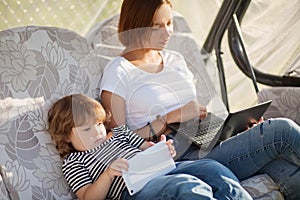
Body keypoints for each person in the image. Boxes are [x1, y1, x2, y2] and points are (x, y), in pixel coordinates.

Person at [99, 0, 300, 199]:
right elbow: (116, 139)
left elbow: (195, 114)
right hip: (172, 152)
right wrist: (169, 117)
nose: (167, 32)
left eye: (169, 23)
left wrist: (235, 130)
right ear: (136, 24)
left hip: (206, 135)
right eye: (157, 26)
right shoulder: (118, 72)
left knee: (284, 166)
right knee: (281, 130)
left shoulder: (175, 60)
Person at [47, 94, 252, 200]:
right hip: (134, 191)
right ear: (65, 137)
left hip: (162, 170)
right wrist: (108, 175)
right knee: (184, 185)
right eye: (86, 130)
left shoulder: (119, 133)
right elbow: (88, 198)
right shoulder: (74, 161)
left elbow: (148, 147)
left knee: (212, 168)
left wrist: (164, 150)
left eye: (99, 124)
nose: (97, 133)